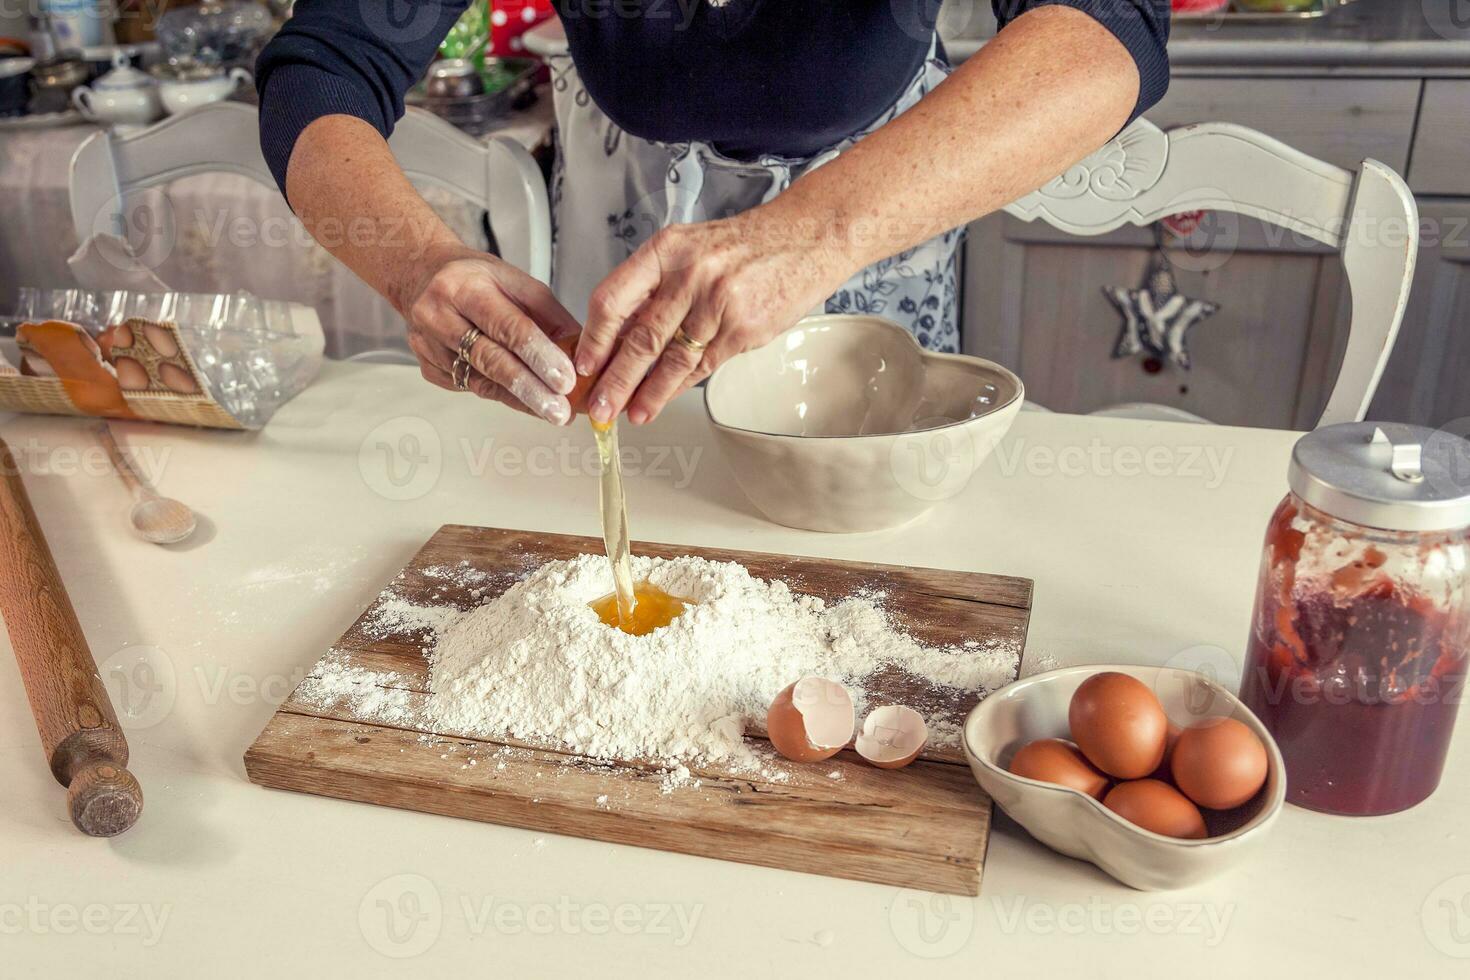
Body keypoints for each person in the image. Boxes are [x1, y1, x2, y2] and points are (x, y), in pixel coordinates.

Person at [256, 1, 1168, 427]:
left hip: (873, 220)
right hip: (616, 227)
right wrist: (417, 267)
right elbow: (325, 64)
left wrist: (812, 236)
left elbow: (1110, 30)